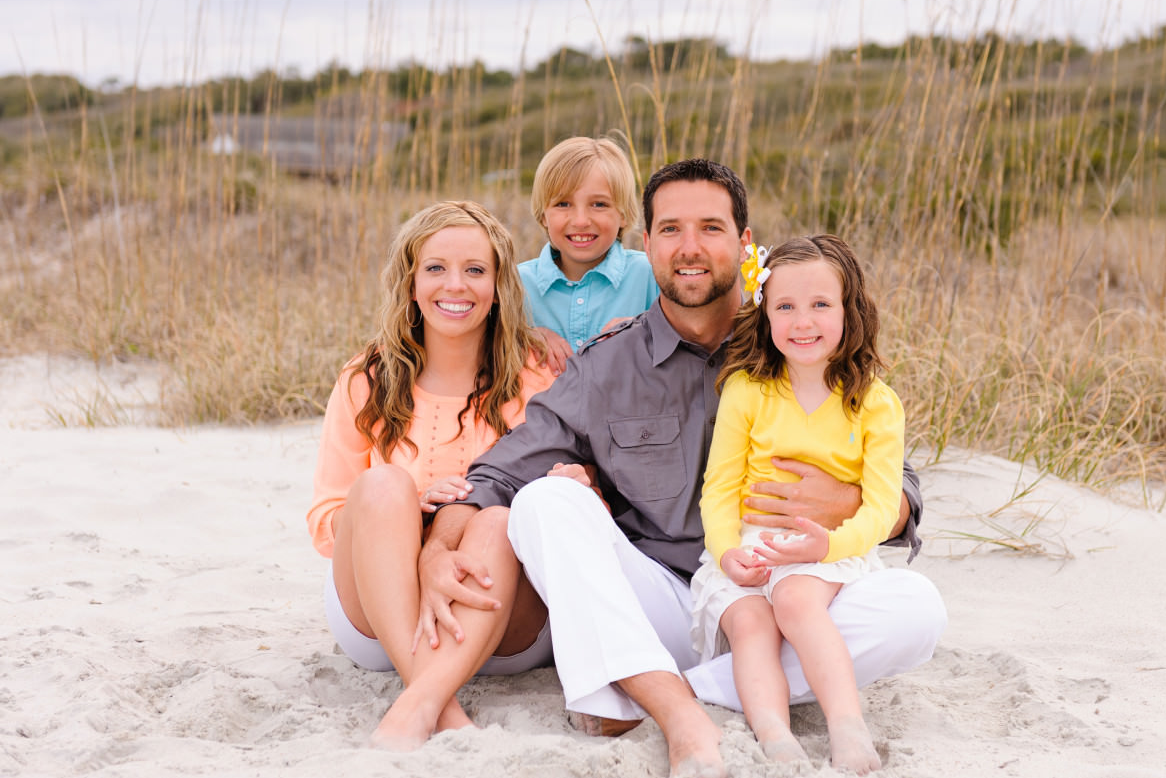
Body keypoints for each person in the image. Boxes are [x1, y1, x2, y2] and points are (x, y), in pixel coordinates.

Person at [424, 159, 946, 778]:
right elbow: (500, 472)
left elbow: (900, 487)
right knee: (544, 502)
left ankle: (663, 687)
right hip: (665, 601)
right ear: (648, 244)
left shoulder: (798, 340)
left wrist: (851, 503)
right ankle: (677, 703)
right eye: (670, 229)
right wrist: (439, 542)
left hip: (791, 591)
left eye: (711, 228)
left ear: (745, 243)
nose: (690, 248)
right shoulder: (606, 366)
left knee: (916, 611)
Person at [306, 200, 556, 750]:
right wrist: (415, 514)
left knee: (496, 519)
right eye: (436, 268)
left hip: (499, 627)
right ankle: (436, 700)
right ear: (411, 282)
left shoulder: (537, 377)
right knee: (382, 484)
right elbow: (326, 521)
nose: (456, 285)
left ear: (498, 286)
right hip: (380, 625)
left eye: (475, 270)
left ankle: (419, 701)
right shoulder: (366, 378)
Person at [691, 234, 902, 773]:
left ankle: (847, 727)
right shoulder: (746, 389)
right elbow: (718, 489)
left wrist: (829, 543)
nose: (802, 322)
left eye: (820, 305)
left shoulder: (874, 402)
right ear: (764, 314)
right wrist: (724, 553)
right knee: (749, 622)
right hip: (749, 543)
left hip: (826, 546)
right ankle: (775, 736)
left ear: (848, 312)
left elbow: (880, 509)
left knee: (794, 601)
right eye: (785, 306)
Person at [519, 136, 659, 371]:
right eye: (563, 204)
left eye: (599, 204)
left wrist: (647, 328)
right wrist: (523, 336)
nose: (581, 221)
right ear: (543, 214)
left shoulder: (650, 275)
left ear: (623, 213)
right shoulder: (516, 284)